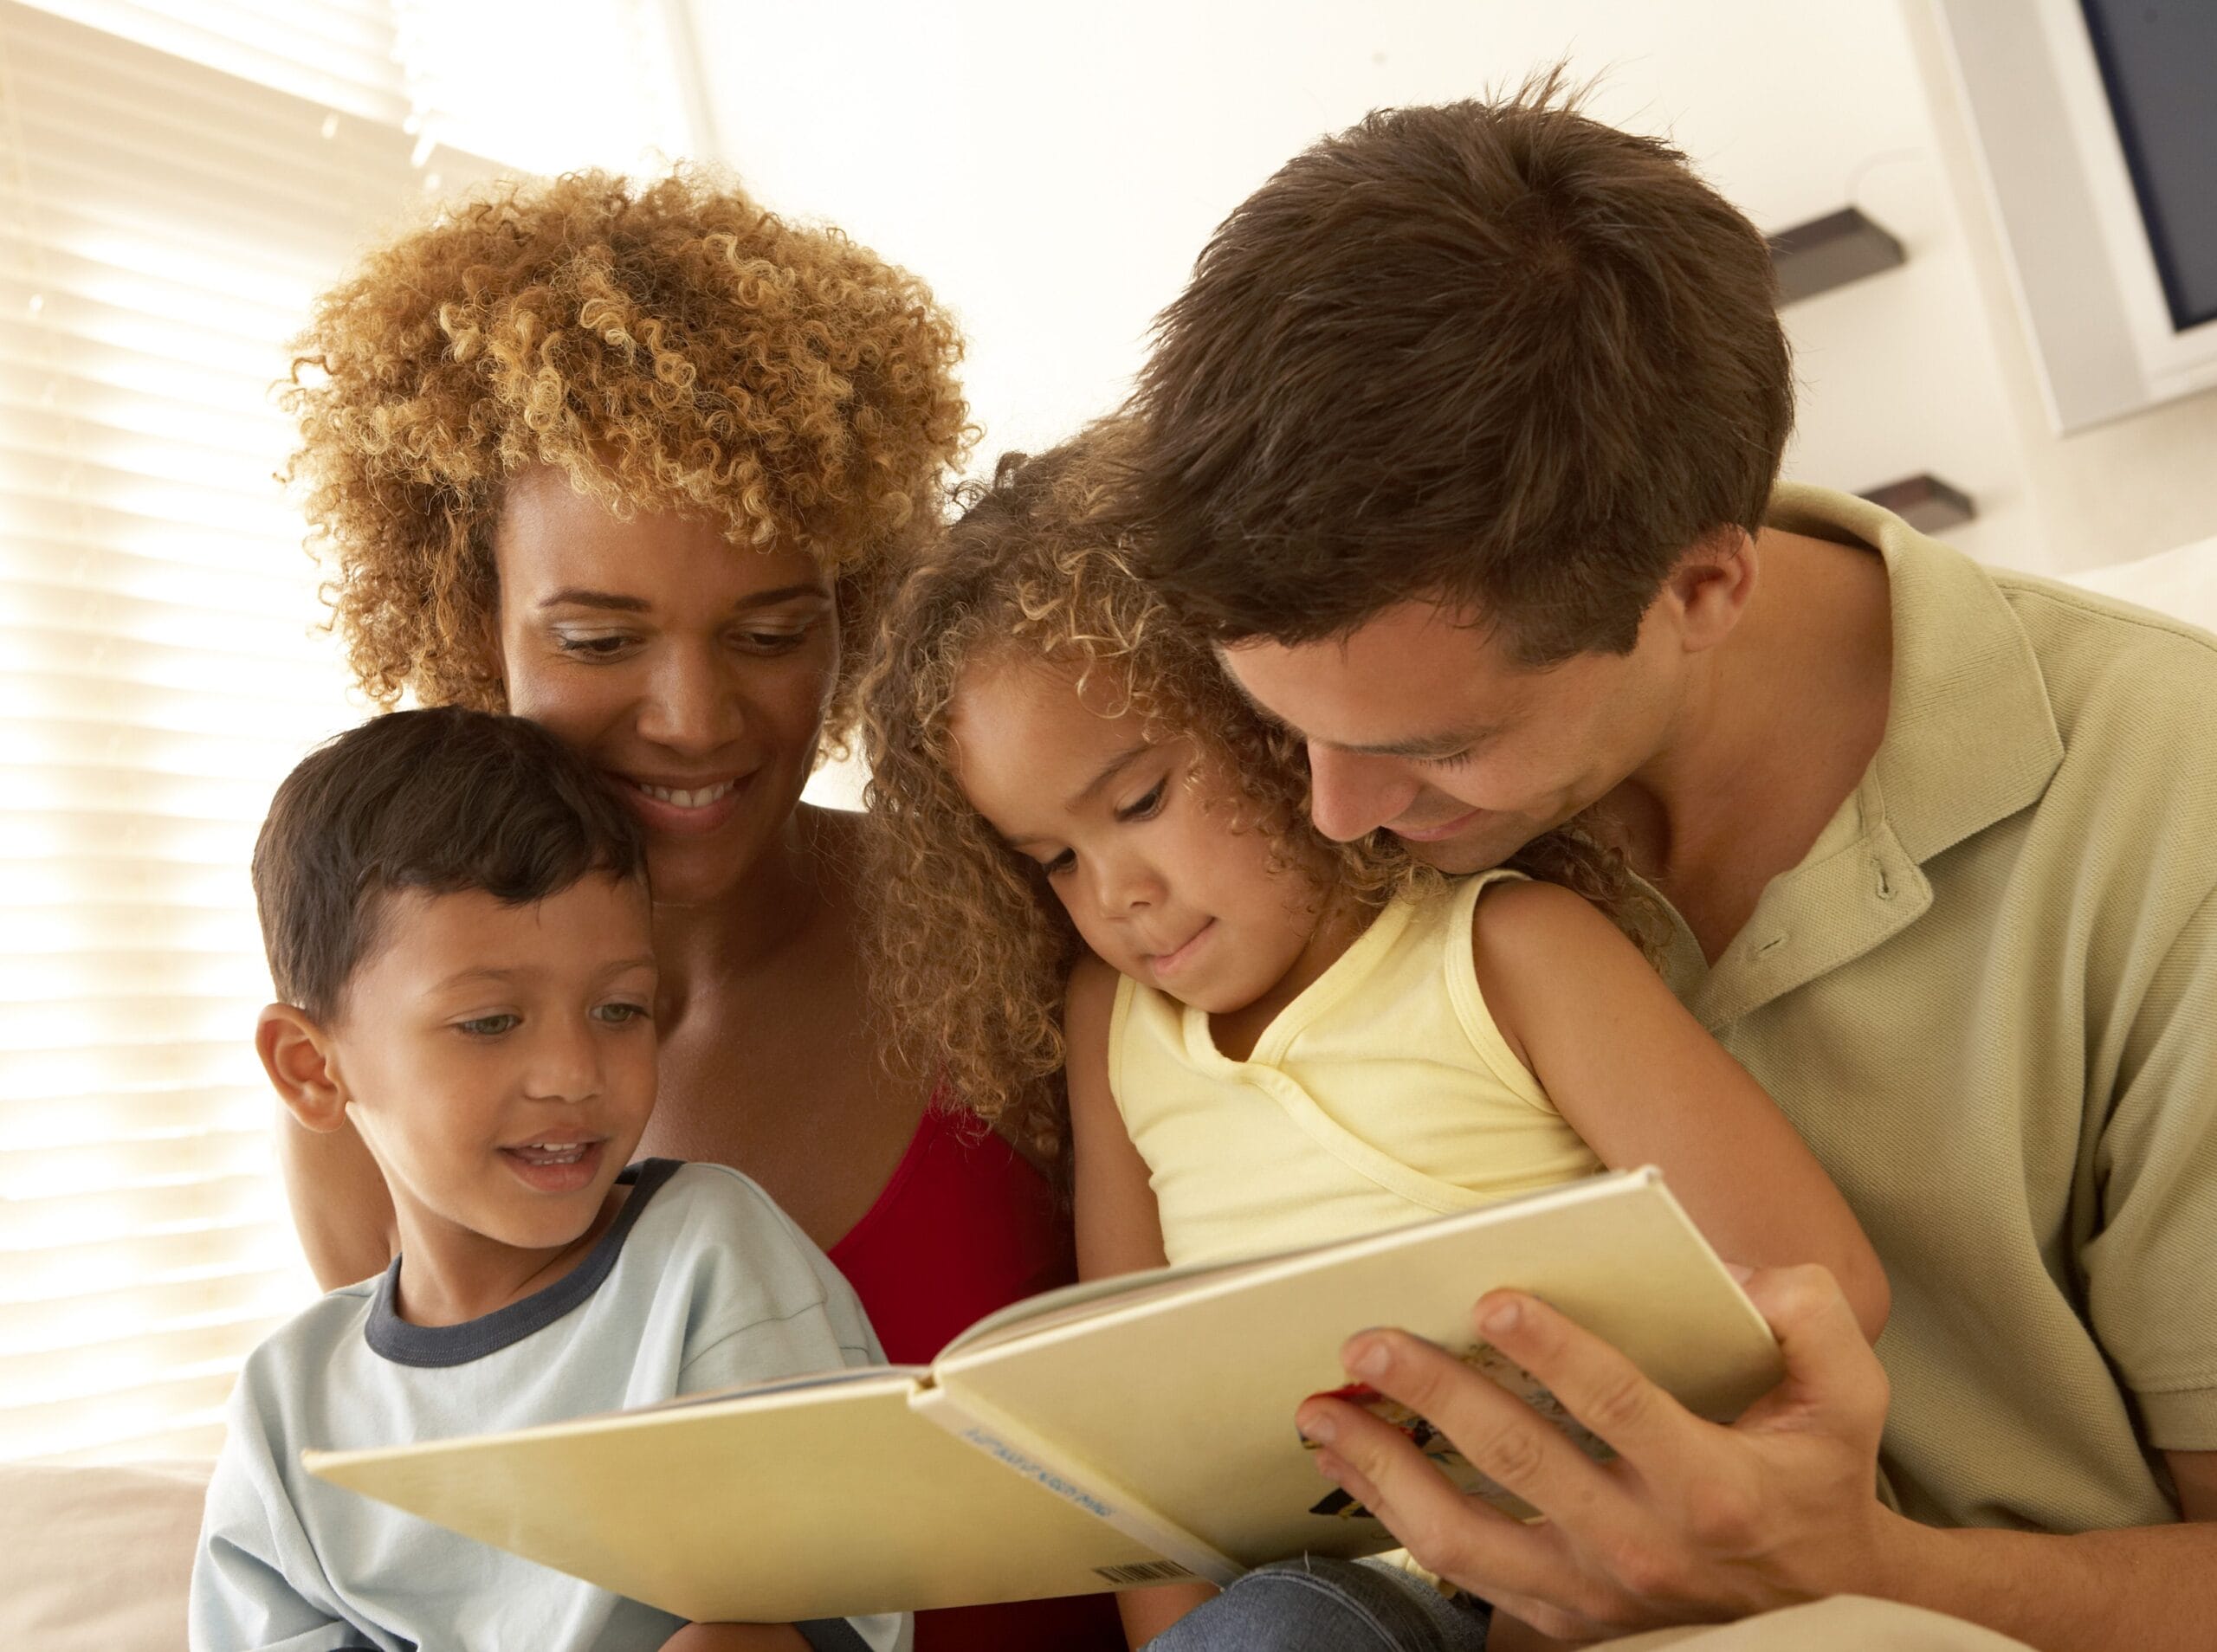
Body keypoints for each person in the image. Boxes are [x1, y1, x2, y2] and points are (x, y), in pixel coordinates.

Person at [1119, 76, 2215, 1650]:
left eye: (1437, 747)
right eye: (1277, 724)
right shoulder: (1301, 826)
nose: (1338, 814)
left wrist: (1872, 1570)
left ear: (1704, 584)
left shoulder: (2175, 811)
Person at [860, 428, 1888, 1649]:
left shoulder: (1509, 951)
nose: (1116, 892)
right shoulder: (1113, 1020)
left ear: (1267, 711)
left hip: (1603, 1562)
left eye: (1140, 802)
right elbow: (1131, 1408)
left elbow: (1815, 1286)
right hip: (1317, 1601)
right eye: (1054, 861)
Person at [281, 170, 1124, 1651]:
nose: (693, 716)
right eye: (599, 636)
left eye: (774, 630)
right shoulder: (376, 1084)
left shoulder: (1024, 914)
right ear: (460, 615)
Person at [193, 706, 903, 1652]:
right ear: (312, 1069)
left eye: (619, 1008)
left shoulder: (708, 1261)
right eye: (490, 1022)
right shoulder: (288, 1407)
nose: (575, 1074)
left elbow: (796, 1625)